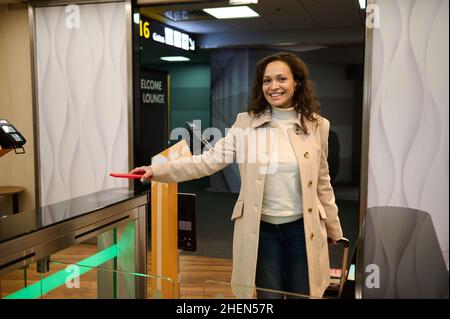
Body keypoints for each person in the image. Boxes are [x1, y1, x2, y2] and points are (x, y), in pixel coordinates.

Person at [130, 52, 343, 299]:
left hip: (303, 228)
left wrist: (333, 227)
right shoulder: (245, 124)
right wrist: (157, 170)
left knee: (302, 294)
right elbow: (209, 161)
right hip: (262, 230)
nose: (273, 86)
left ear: (296, 82)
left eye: (281, 79)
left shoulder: (318, 125)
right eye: (267, 80)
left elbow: (322, 180)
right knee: (268, 297)